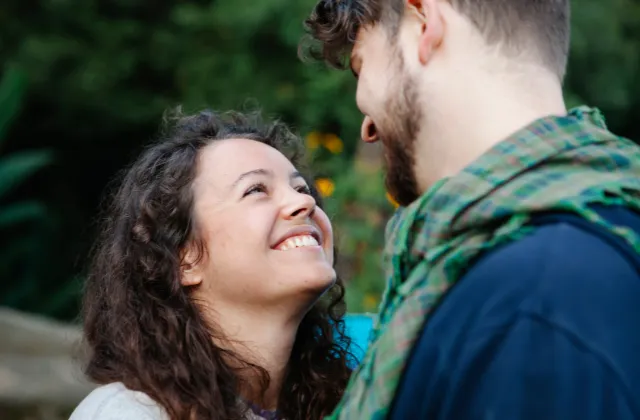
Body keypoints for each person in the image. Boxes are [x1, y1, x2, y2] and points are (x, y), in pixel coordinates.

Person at [301, 0, 640, 419]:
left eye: (361, 66)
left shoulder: (533, 300)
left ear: (425, 22)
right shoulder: (596, 238)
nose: (366, 126)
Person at [70, 109, 359, 420]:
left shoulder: (353, 404)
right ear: (184, 257)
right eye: (256, 190)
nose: (306, 203)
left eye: (302, 189)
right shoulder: (129, 414)